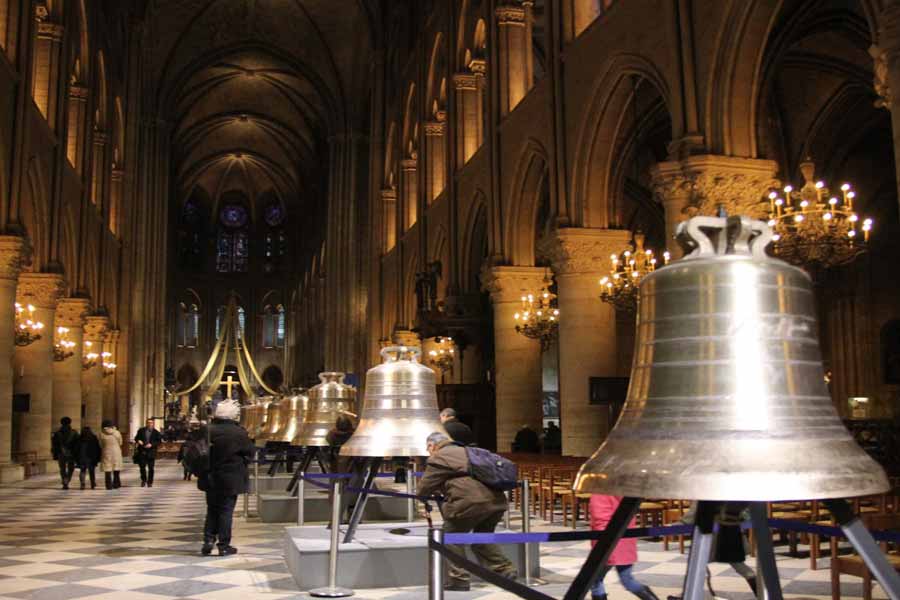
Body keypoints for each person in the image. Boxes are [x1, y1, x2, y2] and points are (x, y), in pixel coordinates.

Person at [418, 431, 517, 592]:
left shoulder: (439, 457)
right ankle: (505, 570)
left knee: (450, 537)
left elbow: (424, 487)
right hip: (496, 502)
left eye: (428, 448)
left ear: (432, 445)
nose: (428, 452)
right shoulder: (468, 451)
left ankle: (459, 579)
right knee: (482, 537)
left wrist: (422, 497)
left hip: (470, 503)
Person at [199, 399, 254, 556]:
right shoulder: (238, 432)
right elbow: (250, 453)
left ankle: (208, 541)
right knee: (226, 511)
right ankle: (223, 545)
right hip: (230, 478)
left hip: (210, 476)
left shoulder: (208, 430)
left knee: (212, 509)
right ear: (232, 416)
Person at [589, 494, 659, 600]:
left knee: (594, 578)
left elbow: (600, 517)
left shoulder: (600, 490)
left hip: (607, 541)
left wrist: (601, 542)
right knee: (628, 580)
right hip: (626, 537)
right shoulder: (624, 486)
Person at [51, 417, 79, 489]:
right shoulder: (74, 432)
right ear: (70, 423)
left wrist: (55, 453)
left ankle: (64, 480)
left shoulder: (57, 433)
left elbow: (54, 445)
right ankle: (67, 479)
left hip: (61, 453)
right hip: (71, 453)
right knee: (71, 468)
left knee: (62, 468)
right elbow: (78, 444)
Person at [134, 418, 163, 487]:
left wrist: (152, 444)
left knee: (151, 468)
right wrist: (138, 441)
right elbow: (136, 438)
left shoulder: (156, 432)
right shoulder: (141, 430)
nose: (149, 424)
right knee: (142, 467)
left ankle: (150, 482)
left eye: (151, 423)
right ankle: (143, 480)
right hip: (142, 451)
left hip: (151, 452)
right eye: (148, 423)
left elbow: (159, 441)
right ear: (146, 423)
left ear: (153, 424)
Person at [98, 420, 123, 489]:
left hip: (106, 452)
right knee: (116, 468)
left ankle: (108, 485)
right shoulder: (117, 433)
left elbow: (100, 444)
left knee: (107, 469)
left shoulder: (101, 433)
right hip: (116, 452)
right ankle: (117, 484)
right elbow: (120, 442)